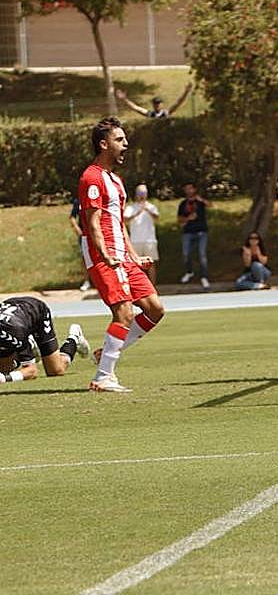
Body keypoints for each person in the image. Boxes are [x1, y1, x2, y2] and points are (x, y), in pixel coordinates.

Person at [78, 116, 165, 393]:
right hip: (104, 255)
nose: (125, 145)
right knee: (124, 313)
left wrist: (133, 255)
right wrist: (105, 255)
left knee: (154, 309)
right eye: (119, 140)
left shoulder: (115, 180)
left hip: (121, 255)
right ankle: (103, 377)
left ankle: (106, 353)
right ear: (104, 144)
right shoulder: (91, 177)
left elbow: (117, 223)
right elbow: (92, 224)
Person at [0, 295, 89, 386]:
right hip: (16, 320)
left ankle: (74, 337)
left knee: (55, 371)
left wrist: (5, 379)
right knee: (4, 369)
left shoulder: (12, 334)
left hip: (36, 311)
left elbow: (32, 371)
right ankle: (28, 345)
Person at [124, 184, 160, 284]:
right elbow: (125, 220)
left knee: (151, 264)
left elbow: (157, 218)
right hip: (135, 240)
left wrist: (147, 209)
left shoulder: (151, 206)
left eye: (143, 193)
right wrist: (137, 213)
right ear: (136, 194)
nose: (141, 195)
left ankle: (152, 286)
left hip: (149, 240)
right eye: (140, 193)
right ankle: (137, 286)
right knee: (135, 265)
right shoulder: (131, 208)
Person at [177, 182, 210, 290]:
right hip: (188, 232)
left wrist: (201, 200)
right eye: (187, 189)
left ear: (194, 190)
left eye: (190, 188)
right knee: (186, 254)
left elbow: (210, 205)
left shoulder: (200, 202)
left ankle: (204, 277)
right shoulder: (183, 204)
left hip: (201, 232)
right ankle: (189, 272)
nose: (189, 191)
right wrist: (188, 219)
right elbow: (179, 220)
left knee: (202, 255)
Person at [115, 82, 192, 119]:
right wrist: (124, 99)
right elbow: (136, 108)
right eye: (155, 103)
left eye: (158, 103)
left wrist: (186, 92)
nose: (157, 105)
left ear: (162, 104)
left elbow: (178, 103)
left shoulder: (166, 113)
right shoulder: (150, 114)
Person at [69, 198, 92, 291]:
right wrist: (76, 228)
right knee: (85, 258)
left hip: (97, 233)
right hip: (84, 235)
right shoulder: (78, 201)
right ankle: (87, 281)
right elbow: (72, 217)